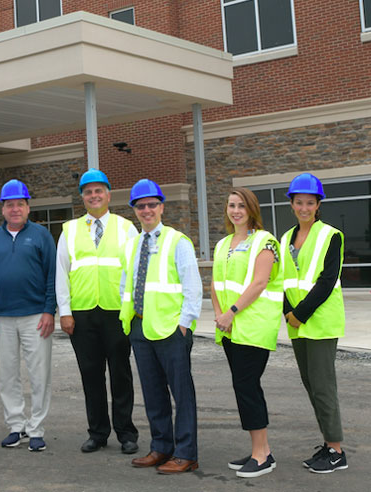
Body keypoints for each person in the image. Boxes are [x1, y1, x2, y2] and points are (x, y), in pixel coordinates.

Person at [55, 168, 140, 455]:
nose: (94, 195)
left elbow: (135, 271)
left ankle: (126, 433)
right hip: (82, 314)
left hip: (117, 313)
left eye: (98, 190)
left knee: (121, 374)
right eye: (88, 192)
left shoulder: (126, 227)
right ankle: (98, 433)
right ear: (82, 197)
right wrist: (64, 311)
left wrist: (133, 308)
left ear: (108, 194)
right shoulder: (69, 230)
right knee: (90, 375)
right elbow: (61, 273)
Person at [119, 180, 201, 474]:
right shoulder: (131, 245)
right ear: (134, 210)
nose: (147, 210)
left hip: (171, 330)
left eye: (152, 204)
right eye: (140, 206)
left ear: (162, 207)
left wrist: (184, 324)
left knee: (182, 394)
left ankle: (186, 453)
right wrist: (129, 322)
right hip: (140, 328)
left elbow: (192, 286)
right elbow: (126, 285)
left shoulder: (178, 241)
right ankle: (161, 447)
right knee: (153, 394)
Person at [279, 173, 349, 474]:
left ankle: (336, 451)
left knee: (323, 387)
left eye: (310, 203)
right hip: (296, 323)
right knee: (311, 385)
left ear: (318, 205)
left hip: (320, 321)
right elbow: (281, 281)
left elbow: (327, 281)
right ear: (292, 204)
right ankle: (328, 443)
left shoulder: (331, 235)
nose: (304, 208)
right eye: (299, 202)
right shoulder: (285, 239)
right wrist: (288, 313)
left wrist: (299, 314)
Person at [0, 179, 56, 453]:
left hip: (36, 316)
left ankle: (36, 429)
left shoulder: (41, 235)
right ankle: (16, 426)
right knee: (8, 374)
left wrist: (49, 310)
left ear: (28, 207)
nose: (15, 209)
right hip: (2, 317)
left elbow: (52, 275)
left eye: (20, 204)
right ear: (3, 209)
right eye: (10, 205)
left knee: (39, 374)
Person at [211, 188, 283, 479]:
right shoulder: (223, 243)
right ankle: (262, 450)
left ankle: (261, 456)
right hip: (230, 328)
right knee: (243, 386)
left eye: (241, 205)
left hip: (253, 326)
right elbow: (215, 283)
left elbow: (259, 283)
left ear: (252, 209)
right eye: (231, 205)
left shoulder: (265, 241)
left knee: (247, 386)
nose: (236, 211)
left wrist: (231, 312)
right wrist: (220, 315)